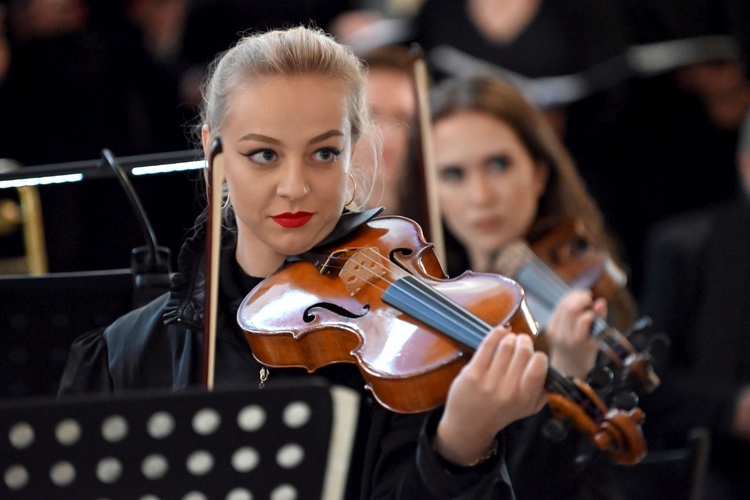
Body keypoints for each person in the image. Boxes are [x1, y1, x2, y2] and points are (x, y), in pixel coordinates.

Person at [57, 26, 551, 499]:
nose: (295, 186)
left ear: (352, 151)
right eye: (264, 155)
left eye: (323, 153)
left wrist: (459, 446)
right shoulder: (127, 355)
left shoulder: (402, 352)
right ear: (214, 152)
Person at [424, 74, 640, 499]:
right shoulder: (422, 303)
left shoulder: (583, 293)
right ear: (429, 191)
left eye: (499, 165)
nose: (481, 195)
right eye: (452, 174)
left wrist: (571, 369)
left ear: (539, 174)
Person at [636, 109, 750, 499]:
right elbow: (648, 385)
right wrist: (732, 409)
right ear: (746, 165)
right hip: (722, 470)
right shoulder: (684, 247)